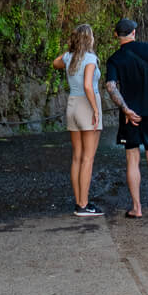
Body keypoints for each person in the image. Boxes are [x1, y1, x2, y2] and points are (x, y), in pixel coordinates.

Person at [105, 18, 148, 219]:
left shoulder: (114, 59)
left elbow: (111, 86)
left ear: (116, 35)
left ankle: (137, 208)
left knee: (132, 160)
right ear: (134, 32)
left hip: (129, 116)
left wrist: (126, 110)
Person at [52, 23, 103, 216]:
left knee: (77, 157)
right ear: (89, 39)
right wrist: (96, 110)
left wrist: (70, 51)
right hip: (86, 105)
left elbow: (55, 63)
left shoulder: (68, 57)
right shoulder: (90, 58)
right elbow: (88, 86)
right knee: (88, 159)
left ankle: (78, 202)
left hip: (72, 106)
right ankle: (84, 204)